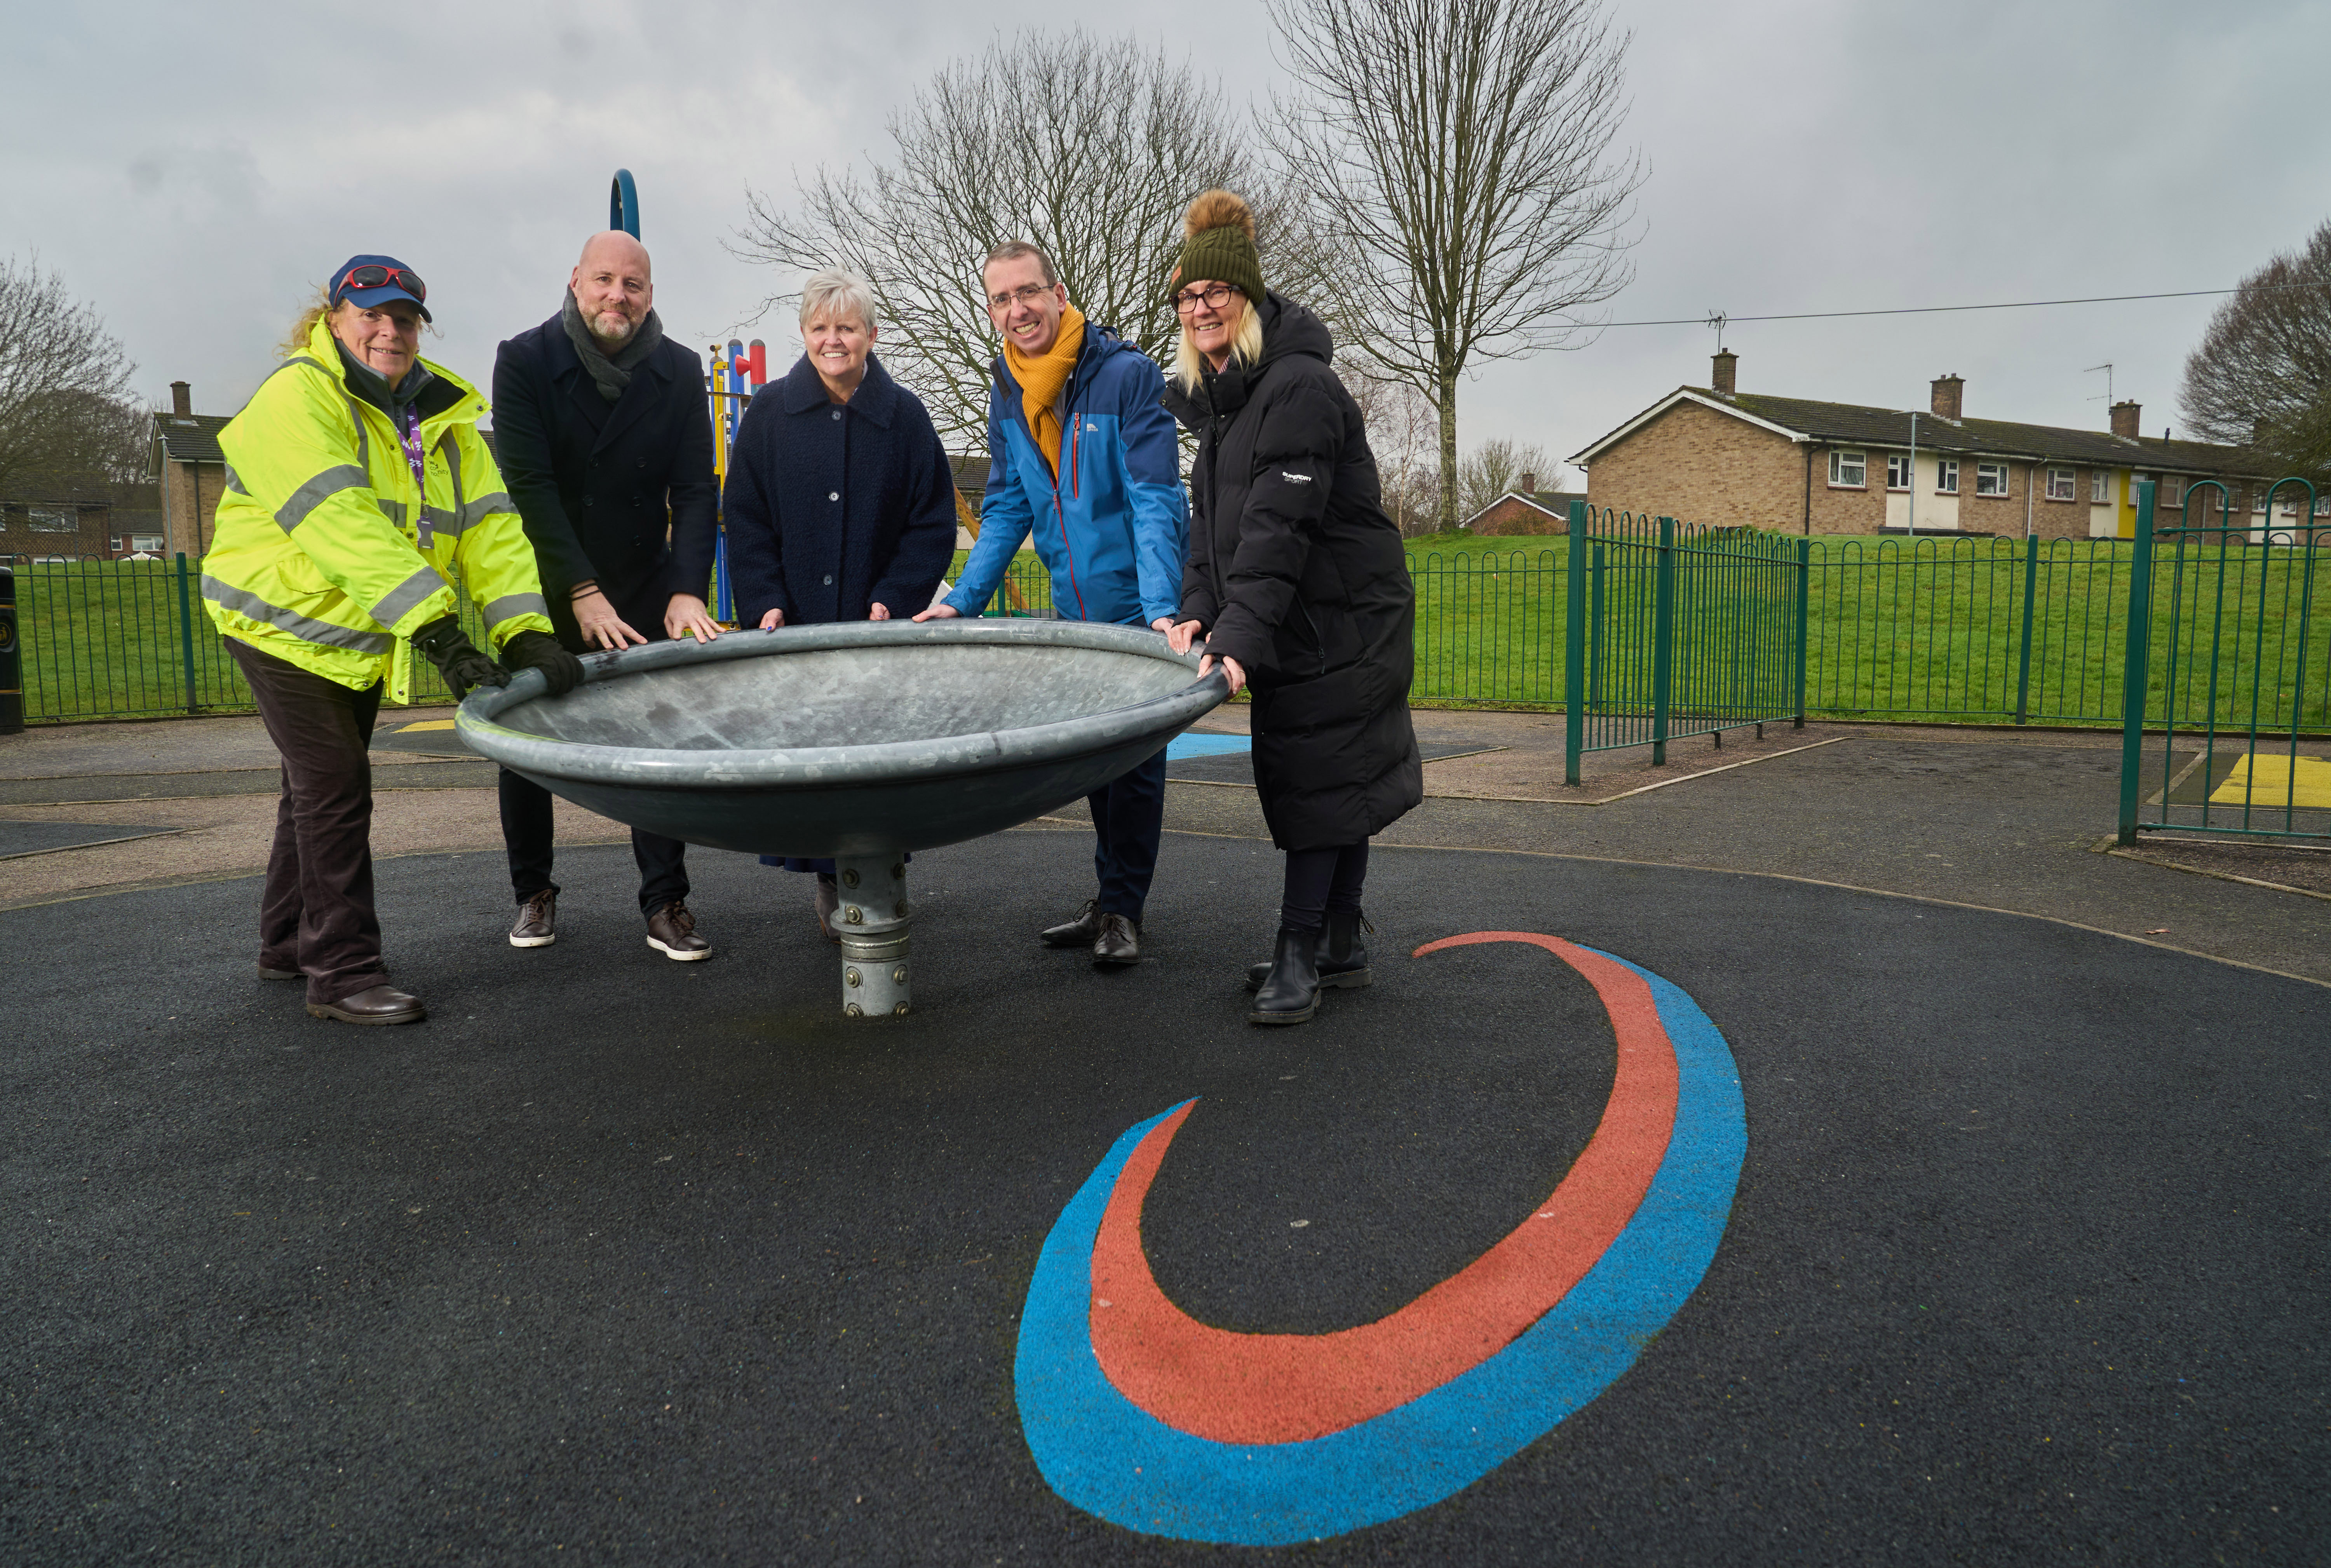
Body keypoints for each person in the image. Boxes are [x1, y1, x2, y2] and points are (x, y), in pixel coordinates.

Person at [204, 255, 581, 1026]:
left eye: (404, 318)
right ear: (332, 319)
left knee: (313, 787)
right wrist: (440, 632)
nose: (388, 330)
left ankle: (286, 942)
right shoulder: (299, 397)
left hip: (355, 629)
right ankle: (341, 971)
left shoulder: (439, 417)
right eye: (370, 314)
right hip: (276, 621)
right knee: (335, 780)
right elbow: (343, 526)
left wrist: (527, 634)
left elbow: (491, 532)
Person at [1157, 192, 1422, 1026]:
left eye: (1216, 293)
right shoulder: (1225, 407)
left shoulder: (1298, 387)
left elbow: (1279, 527)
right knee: (1336, 779)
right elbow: (1214, 530)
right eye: (1187, 297)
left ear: (1248, 300)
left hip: (1343, 617)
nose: (1201, 307)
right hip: (1308, 616)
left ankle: (1301, 950)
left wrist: (1242, 638)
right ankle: (1341, 942)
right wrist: (1200, 609)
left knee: (1320, 775)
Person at [913, 240, 1188, 967]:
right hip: (1073, 611)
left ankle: (1125, 910)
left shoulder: (1126, 377)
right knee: (1096, 768)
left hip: (1133, 611)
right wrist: (964, 599)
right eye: (1001, 299)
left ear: (1060, 293)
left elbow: (1156, 499)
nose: (1017, 310)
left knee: (1133, 770)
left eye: (1028, 293)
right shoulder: (1009, 386)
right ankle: (1108, 900)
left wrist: (1162, 605)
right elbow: (1006, 503)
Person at [490, 230, 722, 960]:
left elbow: (693, 488)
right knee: (527, 742)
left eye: (634, 284)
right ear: (576, 282)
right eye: (603, 281)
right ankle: (534, 891)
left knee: (657, 739)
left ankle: (666, 902)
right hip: (548, 577)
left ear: (651, 294)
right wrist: (580, 590)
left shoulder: (681, 371)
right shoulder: (524, 360)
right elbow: (529, 487)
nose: (617, 296)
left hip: (645, 577)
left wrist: (687, 589)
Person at [723, 268, 957, 938]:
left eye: (847, 328)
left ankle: (880, 871)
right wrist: (763, 599)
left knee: (879, 760)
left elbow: (931, 522)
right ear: (803, 334)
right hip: (795, 623)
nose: (834, 340)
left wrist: (897, 595)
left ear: (871, 336)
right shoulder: (769, 413)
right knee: (815, 762)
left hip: (873, 624)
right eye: (821, 328)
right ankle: (831, 882)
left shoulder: (905, 416)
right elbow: (747, 518)